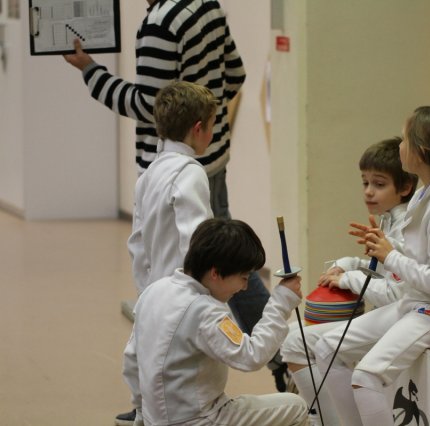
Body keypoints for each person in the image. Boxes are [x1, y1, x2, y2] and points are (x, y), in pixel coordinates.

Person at [62, 0, 280, 412]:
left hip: (181, 162)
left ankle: (265, 359)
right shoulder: (207, 6)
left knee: (217, 263)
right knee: (231, 260)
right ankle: (277, 355)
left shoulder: (161, 24)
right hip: (212, 158)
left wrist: (91, 71)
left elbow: (148, 105)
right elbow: (235, 74)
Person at [313, 106, 430, 426]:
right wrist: (385, 244)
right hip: (417, 304)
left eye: (404, 139)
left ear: (420, 153)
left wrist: (390, 256)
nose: (400, 146)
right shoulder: (427, 194)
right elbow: (419, 258)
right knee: (328, 348)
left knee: (366, 378)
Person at [280, 138, 417, 426]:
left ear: (405, 187)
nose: (368, 191)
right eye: (365, 182)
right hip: (387, 315)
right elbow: (379, 270)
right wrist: (346, 264)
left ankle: (331, 421)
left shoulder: (405, 228)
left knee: (299, 343)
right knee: (292, 336)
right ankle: (324, 418)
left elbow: (396, 294)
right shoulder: (389, 220)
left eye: (379, 184)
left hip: (400, 320)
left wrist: (349, 279)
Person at [123, 218, 308, 426]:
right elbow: (251, 356)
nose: (245, 287)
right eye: (244, 277)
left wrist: (141, 415)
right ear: (216, 273)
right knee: (296, 406)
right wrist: (282, 301)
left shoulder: (154, 291)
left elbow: (131, 358)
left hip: (154, 419)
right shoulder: (205, 311)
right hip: (199, 420)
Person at [127, 81, 216, 295]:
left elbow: (137, 246)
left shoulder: (148, 174)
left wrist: (147, 294)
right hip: (184, 296)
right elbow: (196, 243)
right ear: (198, 128)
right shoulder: (190, 172)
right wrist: (203, 298)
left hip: (155, 293)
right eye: (212, 125)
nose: (212, 134)